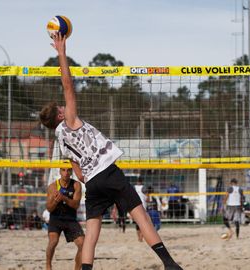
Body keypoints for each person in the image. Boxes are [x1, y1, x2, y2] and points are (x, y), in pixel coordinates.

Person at [39, 33, 182, 270]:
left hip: (92, 183)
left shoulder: (61, 143)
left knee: (92, 233)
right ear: (60, 115)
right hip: (108, 173)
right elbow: (67, 84)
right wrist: (62, 53)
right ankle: (169, 264)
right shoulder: (70, 120)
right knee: (141, 216)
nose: (65, 106)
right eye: (62, 107)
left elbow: (81, 176)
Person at [46, 167, 85, 270]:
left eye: (68, 170)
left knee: (83, 244)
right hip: (56, 218)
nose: (66, 173)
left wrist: (64, 198)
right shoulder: (53, 187)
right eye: (63, 170)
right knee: (53, 242)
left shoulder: (76, 185)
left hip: (70, 218)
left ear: (72, 172)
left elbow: (76, 205)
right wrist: (55, 201)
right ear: (60, 172)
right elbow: (49, 208)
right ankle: (48, 265)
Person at [134, 177, 147, 242]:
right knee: (142, 223)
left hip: (135, 207)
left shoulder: (134, 187)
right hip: (142, 207)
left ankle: (140, 237)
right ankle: (140, 237)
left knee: (138, 223)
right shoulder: (144, 187)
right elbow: (147, 198)